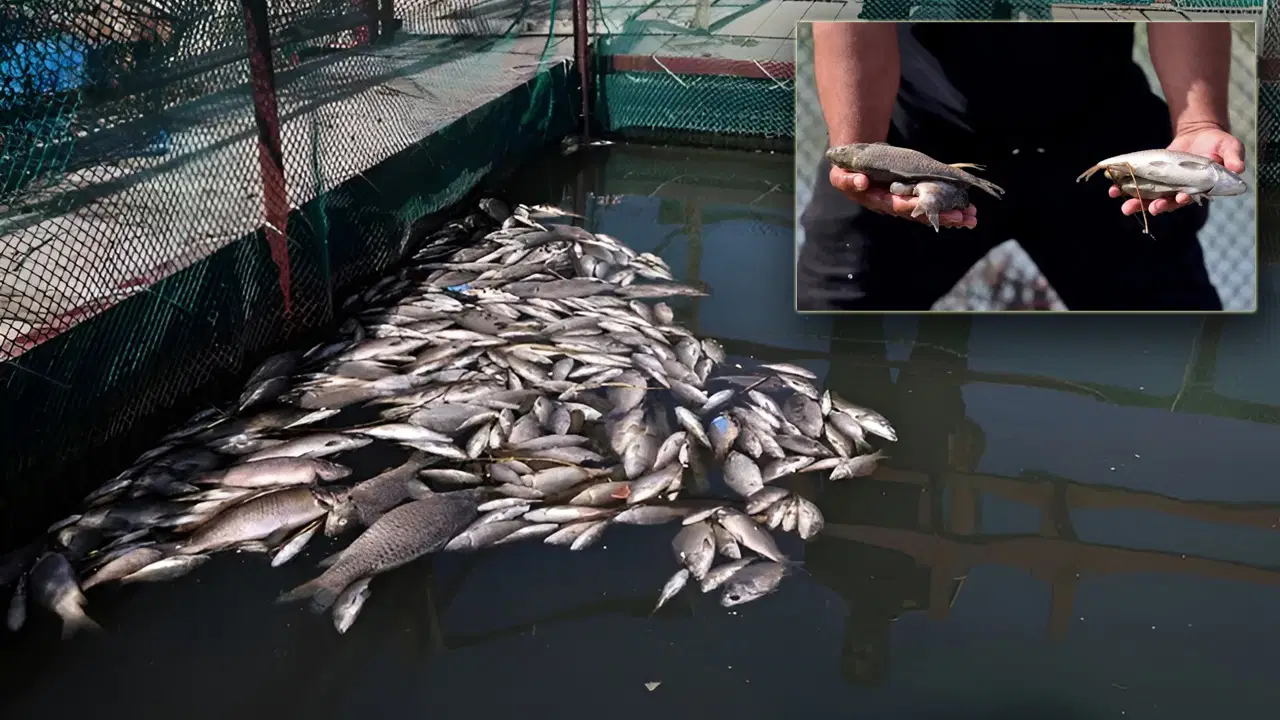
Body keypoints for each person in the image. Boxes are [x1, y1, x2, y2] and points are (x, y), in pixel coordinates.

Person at [798, 22, 1247, 312]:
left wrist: (1199, 121)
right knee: (832, 314)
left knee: (1179, 339)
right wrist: (859, 143)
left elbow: (1178, 9)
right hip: (921, 133)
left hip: (1099, 129)